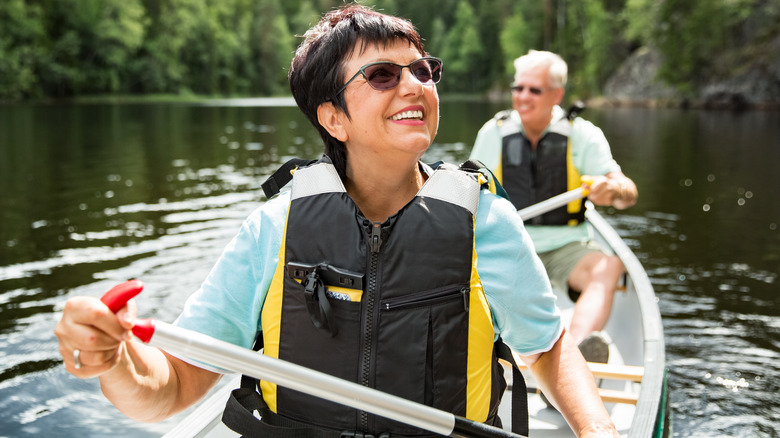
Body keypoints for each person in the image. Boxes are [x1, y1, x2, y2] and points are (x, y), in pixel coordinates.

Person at [55, 5, 618, 437]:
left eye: (423, 69)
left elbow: (544, 349)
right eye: (381, 75)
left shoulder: (487, 222)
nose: (415, 84)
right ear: (333, 117)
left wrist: (596, 428)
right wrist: (117, 361)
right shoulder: (273, 230)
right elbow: (171, 388)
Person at [469, 50, 638, 363]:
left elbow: (628, 191)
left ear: (557, 94)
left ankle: (575, 355)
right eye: (518, 88)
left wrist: (612, 189)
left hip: (565, 247)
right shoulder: (493, 133)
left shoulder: (583, 135)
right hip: (508, 242)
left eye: (534, 90)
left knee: (609, 267)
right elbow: (468, 192)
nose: (522, 97)